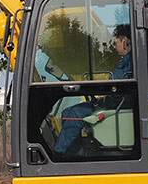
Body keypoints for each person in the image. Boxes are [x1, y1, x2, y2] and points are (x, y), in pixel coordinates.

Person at [52, 25, 133, 158]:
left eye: (116, 42)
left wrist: (101, 92)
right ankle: (75, 154)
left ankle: (58, 153)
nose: (114, 46)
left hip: (115, 103)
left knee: (74, 114)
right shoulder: (127, 60)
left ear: (125, 41)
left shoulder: (129, 62)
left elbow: (116, 85)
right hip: (113, 100)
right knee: (66, 112)